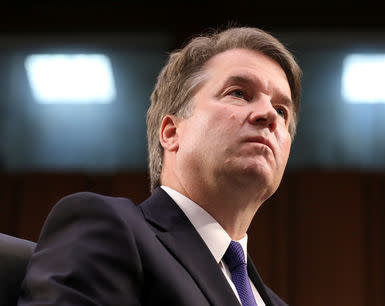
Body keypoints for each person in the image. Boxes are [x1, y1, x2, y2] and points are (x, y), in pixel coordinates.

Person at [19, 26, 302, 306]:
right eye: (238, 93)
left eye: (281, 110)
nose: (269, 115)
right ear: (171, 132)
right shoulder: (109, 229)